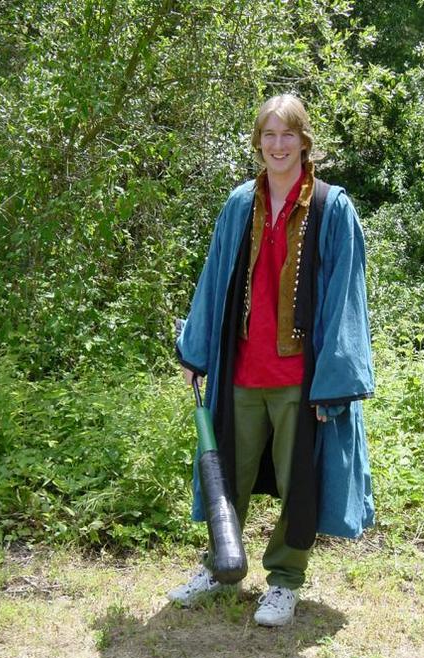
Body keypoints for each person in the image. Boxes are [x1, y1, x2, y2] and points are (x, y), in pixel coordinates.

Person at [169, 94, 374, 625]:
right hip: (240, 371)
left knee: (298, 482)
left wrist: (334, 381)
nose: (278, 145)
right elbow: (214, 277)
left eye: (288, 135)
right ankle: (219, 567)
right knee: (227, 477)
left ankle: (284, 581)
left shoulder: (332, 207)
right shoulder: (241, 203)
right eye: (269, 134)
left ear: (304, 142)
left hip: (299, 380)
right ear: (258, 142)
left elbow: (347, 297)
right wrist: (196, 349)